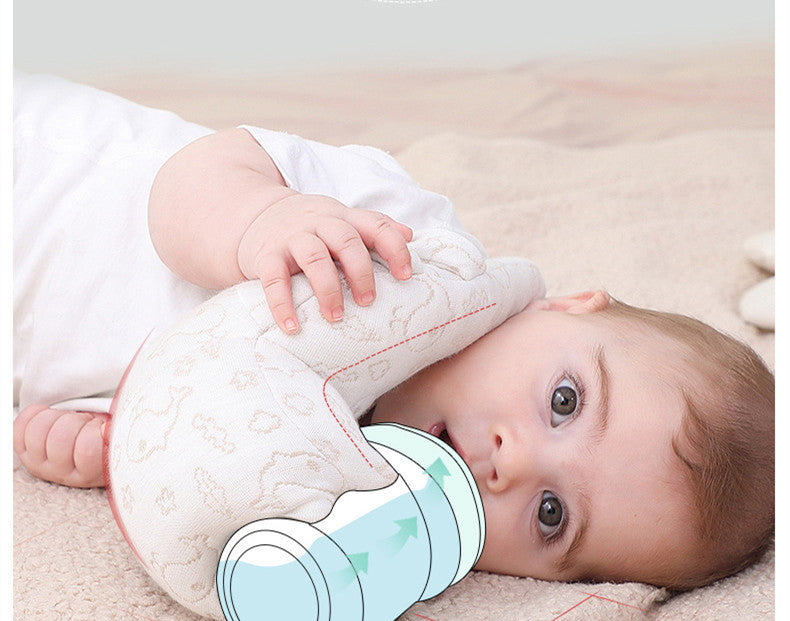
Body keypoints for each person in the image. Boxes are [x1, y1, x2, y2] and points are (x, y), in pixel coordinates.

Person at [12, 74, 774, 592]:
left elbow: (192, 433)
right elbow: (195, 173)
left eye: (552, 515)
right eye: (566, 401)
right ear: (566, 306)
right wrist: (260, 220)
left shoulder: (347, 497)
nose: (510, 462)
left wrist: (110, 443)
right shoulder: (404, 248)